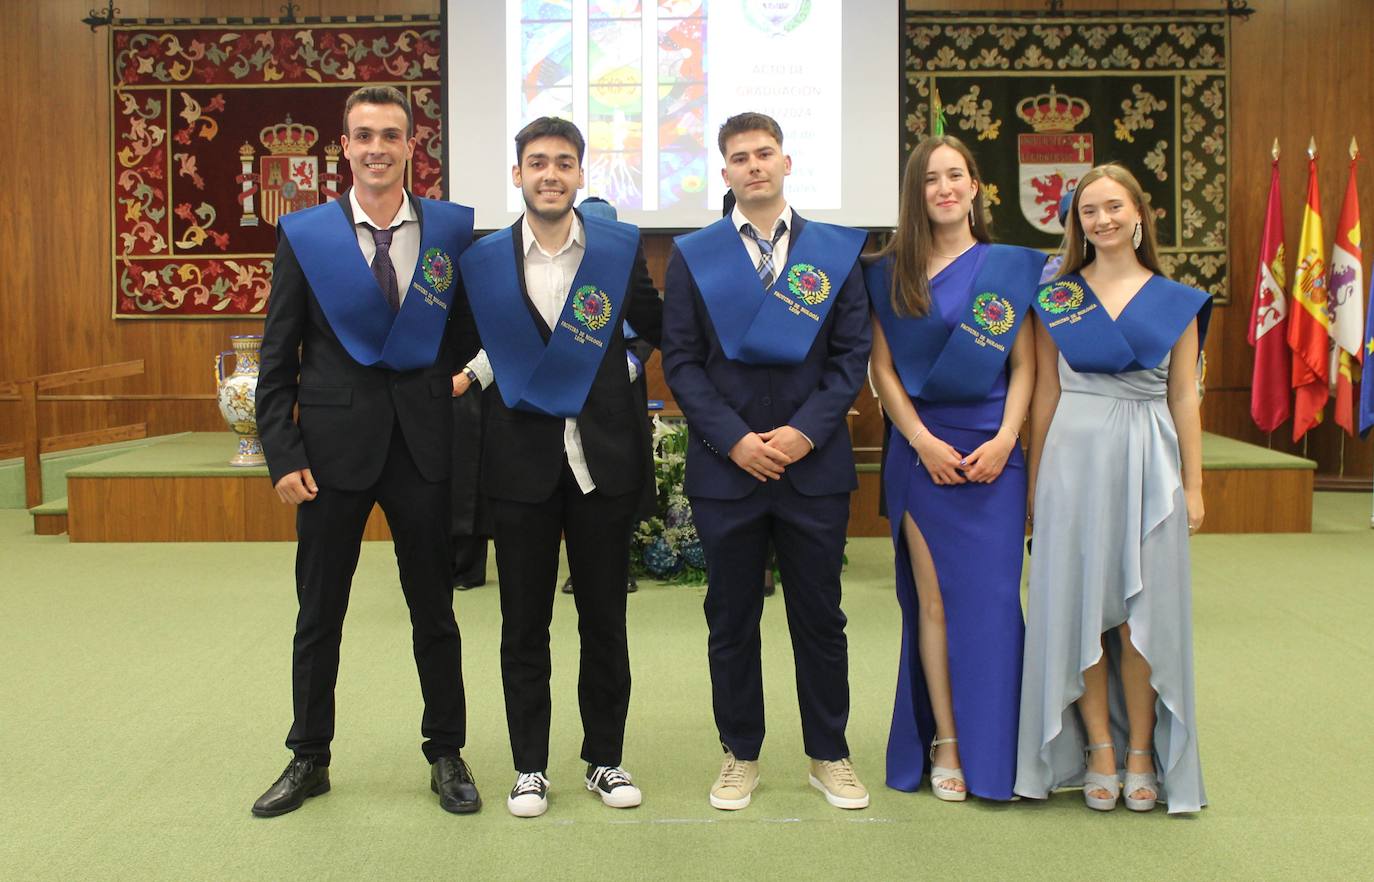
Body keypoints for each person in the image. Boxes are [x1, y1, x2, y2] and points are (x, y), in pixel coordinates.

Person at [252, 85, 481, 817]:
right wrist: (282, 453)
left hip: (421, 447)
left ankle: (446, 753)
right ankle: (308, 757)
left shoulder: (450, 233)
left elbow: (475, 333)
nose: (377, 147)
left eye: (390, 134)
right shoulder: (307, 235)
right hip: (328, 455)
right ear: (344, 147)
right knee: (319, 614)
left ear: (412, 146)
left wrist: (462, 380)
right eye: (363, 135)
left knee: (434, 613)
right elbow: (276, 353)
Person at [662, 112, 872, 811]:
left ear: (787, 162)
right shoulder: (695, 256)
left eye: (764, 153)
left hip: (813, 466)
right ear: (723, 173)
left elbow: (850, 360)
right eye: (739, 157)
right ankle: (740, 754)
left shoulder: (834, 252)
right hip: (729, 471)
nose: (753, 166)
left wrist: (803, 434)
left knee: (821, 618)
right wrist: (737, 441)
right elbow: (684, 365)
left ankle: (829, 754)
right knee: (730, 619)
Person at [456, 118, 663, 819]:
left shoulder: (615, 251)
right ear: (517, 175)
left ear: (581, 175)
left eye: (565, 163)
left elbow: (650, 325)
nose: (551, 173)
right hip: (519, 464)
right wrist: (484, 373)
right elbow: (478, 343)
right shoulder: (483, 260)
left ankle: (605, 759)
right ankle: (529, 767)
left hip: (601, 461)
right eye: (537, 162)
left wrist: (618, 372)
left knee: (605, 620)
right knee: (523, 624)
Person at [1015, 163, 1210, 814]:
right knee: (1083, 614)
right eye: (1088, 211)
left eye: (1112, 207)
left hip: (1152, 466)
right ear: (1077, 223)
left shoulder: (1177, 300)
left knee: (1142, 619)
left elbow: (1184, 395)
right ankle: (1098, 747)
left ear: (1139, 214)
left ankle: (1141, 752)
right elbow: (1044, 394)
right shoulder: (1059, 298)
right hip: (1074, 457)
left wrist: (1196, 484)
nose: (1101, 220)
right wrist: (1035, 485)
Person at [866, 135, 1045, 802]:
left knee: (996, 603)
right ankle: (945, 739)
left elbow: (1025, 364)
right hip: (923, 457)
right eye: (930, 179)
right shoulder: (887, 273)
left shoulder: (1007, 268)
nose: (943, 187)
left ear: (975, 187)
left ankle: (997, 745)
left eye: (955, 175)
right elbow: (882, 370)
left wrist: (1006, 440)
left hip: (994, 456)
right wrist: (920, 441)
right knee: (933, 605)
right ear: (916, 194)